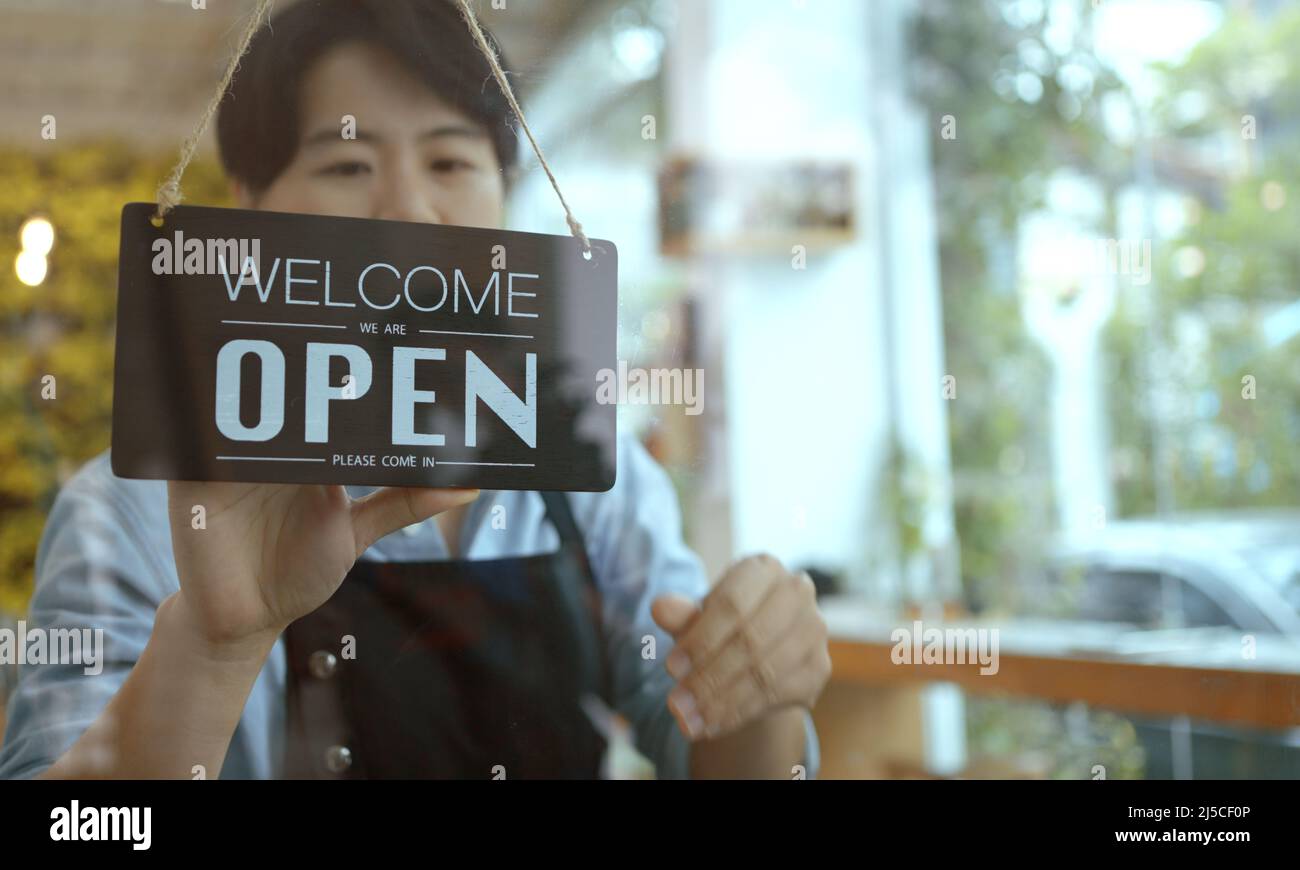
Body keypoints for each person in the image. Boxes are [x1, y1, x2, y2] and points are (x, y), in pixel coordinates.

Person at [0, 0, 829, 780]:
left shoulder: (586, 472)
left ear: (506, 198)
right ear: (249, 204)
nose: (409, 210)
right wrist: (212, 650)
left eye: (451, 159)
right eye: (348, 161)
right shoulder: (133, 508)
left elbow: (705, 742)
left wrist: (760, 694)